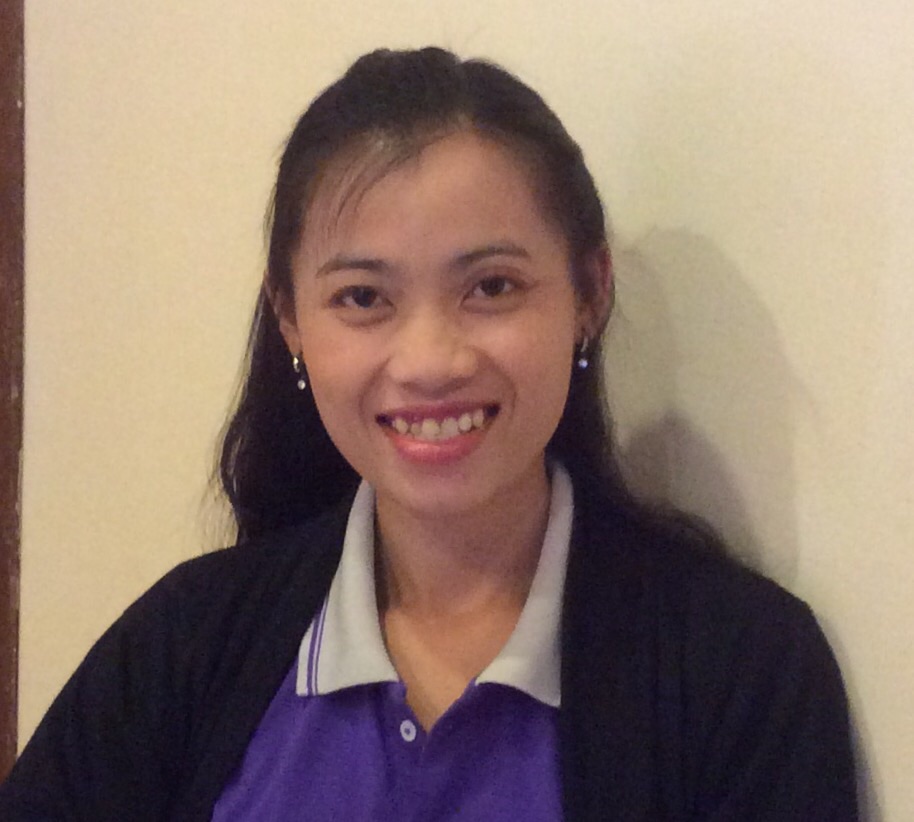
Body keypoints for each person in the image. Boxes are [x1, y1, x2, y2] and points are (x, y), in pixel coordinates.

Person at [0, 47, 858, 820]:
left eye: (491, 287)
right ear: (290, 319)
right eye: (363, 298)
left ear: (589, 294)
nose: (429, 362)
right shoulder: (186, 645)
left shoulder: (743, 672)